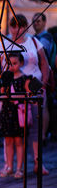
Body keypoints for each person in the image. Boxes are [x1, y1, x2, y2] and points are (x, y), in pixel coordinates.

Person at [4, 14, 49, 175]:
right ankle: (11, 165)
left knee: (35, 127)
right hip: (13, 91)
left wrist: (43, 83)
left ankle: (38, 162)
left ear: (26, 27)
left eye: (21, 26)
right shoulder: (5, 42)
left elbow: (44, 63)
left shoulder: (34, 41)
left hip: (34, 88)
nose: (18, 29)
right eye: (14, 26)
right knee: (11, 128)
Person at [0, 53, 26, 178]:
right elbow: (0, 94)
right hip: (7, 111)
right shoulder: (5, 79)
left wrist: (17, 98)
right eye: (9, 64)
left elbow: (28, 95)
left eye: (15, 63)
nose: (12, 66)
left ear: (21, 63)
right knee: (8, 140)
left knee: (19, 141)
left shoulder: (25, 78)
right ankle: (8, 166)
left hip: (18, 112)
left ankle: (19, 168)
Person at [33, 13, 56, 143]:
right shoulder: (35, 37)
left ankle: (42, 135)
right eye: (34, 21)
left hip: (45, 74)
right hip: (39, 74)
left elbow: (41, 54)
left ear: (44, 22)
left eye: (38, 21)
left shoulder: (45, 37)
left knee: (44, 105)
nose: (36, 23)